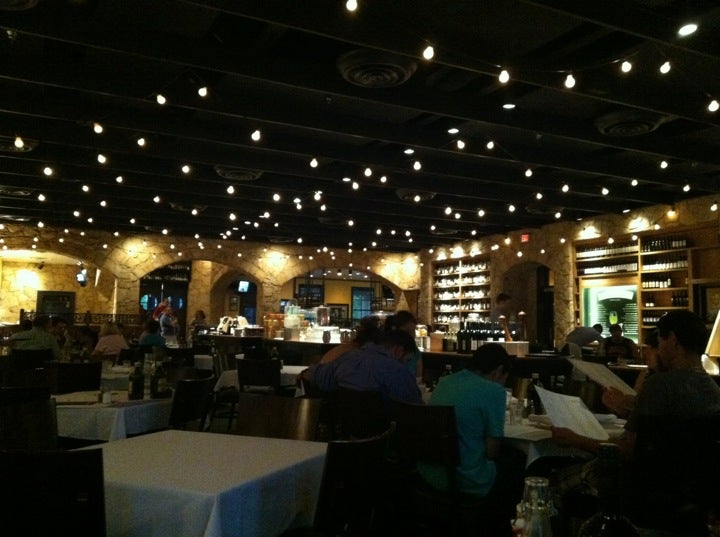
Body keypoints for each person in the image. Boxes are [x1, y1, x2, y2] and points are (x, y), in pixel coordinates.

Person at [417, 343, 523, 530]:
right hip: (465, 481)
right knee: (518, 462)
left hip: (429, 473)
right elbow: (492, 452)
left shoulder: (446, 382)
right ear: (499, 371)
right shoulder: (494, 391)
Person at [301, 329, 422, 405]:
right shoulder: (399, 371)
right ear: (399, 351)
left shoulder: (349, 357)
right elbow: (415, 406)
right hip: (386, 434)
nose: (406, 364)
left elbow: (309, 375)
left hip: (345, 432)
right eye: (407, 360)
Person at [385, 310, 423, 379]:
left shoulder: (415, 351)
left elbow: (418, 378)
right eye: (408, 331)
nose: (413, 336)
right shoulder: (386, 352)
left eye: (414, 331)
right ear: (395, 330)